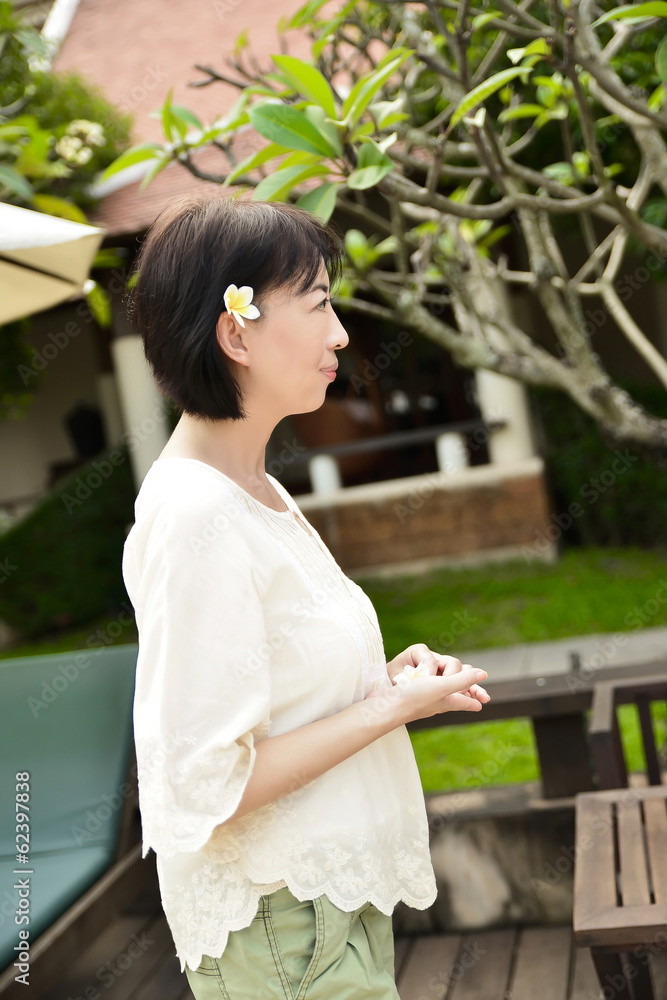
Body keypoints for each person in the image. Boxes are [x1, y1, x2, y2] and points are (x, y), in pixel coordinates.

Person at [121, 193, 491, 1000]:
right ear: (236, 333)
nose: (340, 334)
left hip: (315, 913)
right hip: (281, 929)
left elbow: (275, 704)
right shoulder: (195, 515)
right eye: (319, 303)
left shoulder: (255, 491)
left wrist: (387, 686)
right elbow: (206, 786)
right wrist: (387, 710)